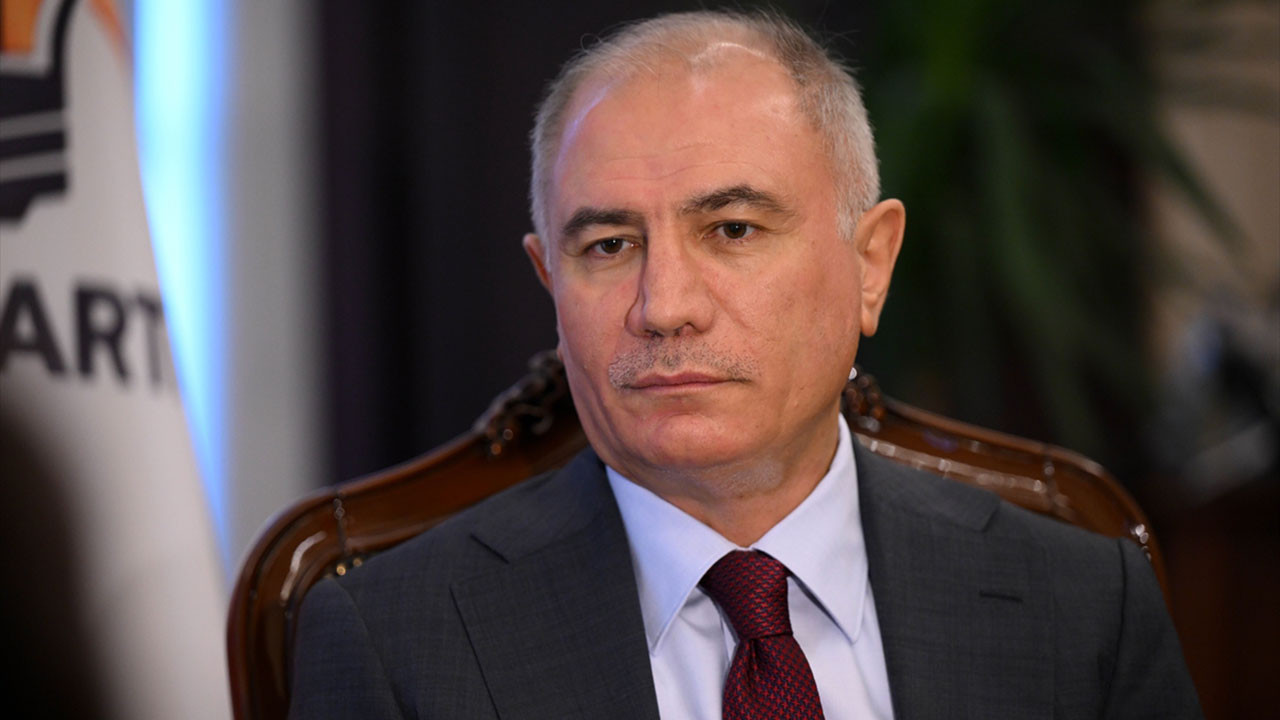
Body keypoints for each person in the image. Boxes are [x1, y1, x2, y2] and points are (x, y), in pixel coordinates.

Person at [289, 10, 1201, 719]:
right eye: (608, 246)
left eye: (732, 230)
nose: (664, 306)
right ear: (549, 284)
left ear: (871, 265)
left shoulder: (1081, 607)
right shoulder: (393, 642)